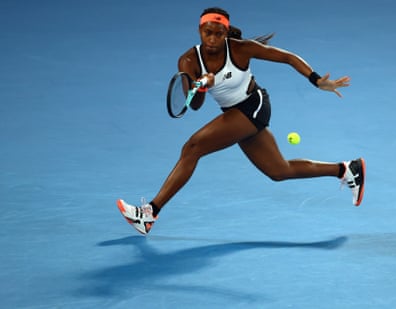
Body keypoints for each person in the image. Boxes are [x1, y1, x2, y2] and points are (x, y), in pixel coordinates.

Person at [117, 7, 365, 235]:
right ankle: (345, 169)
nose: (212, 39)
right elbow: (194, 105)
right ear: (199, 31)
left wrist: (317, 80)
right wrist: (200, 87)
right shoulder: (188, 61)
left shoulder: (240, 49)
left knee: (192, 148)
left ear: (226, 32)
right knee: (279, 171)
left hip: (253, 105)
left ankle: (150, 213)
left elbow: (287, 57)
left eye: (218, 33)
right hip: (233, 114)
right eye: (207, 33)